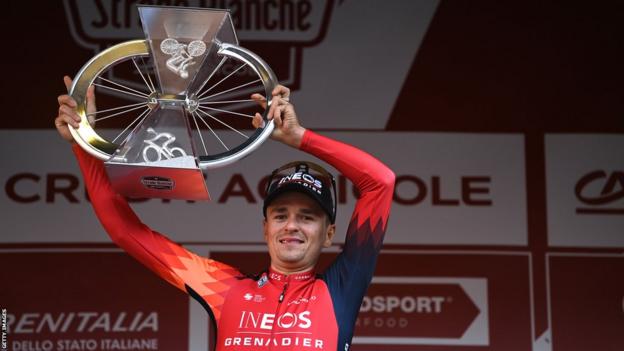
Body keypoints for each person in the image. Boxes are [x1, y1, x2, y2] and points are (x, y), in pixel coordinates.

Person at [55, 76, 395, 351]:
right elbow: (123, 230)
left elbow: (381, 181)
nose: (292, 225)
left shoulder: (341, 288)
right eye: (280, 215)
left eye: (307, 216)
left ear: (329, 233)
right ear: (265, 228)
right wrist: (81, 143)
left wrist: (299, 137)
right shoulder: (224, 288)